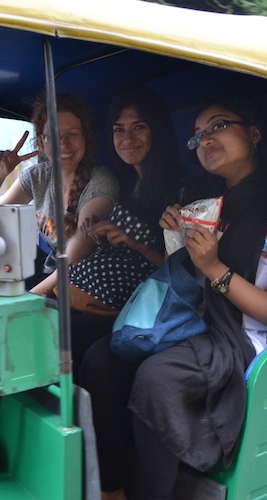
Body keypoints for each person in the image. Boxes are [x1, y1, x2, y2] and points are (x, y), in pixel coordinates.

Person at [80, 94, 267, 500]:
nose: (205, 139)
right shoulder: (213, 201)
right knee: (101, 359)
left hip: (240, 336)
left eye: (219, 126)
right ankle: (112, 491)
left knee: (159, 376)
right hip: (196, 317)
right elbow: (185, 276)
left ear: (255, 133)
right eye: (199, 135)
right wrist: (176, 238)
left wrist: (215, 268)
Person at [68, 87, 205, 367]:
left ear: (157, 131)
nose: (127, 139)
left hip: (146, 307)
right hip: (99, 292)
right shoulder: (127, 184)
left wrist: (136, 244)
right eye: (119, 130)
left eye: (139, 127)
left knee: (67, 340)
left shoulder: (183, 190)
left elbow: (185, 273)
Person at [0, 92, 119, 296]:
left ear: (86, 138)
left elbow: (71, 261)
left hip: (83, 286)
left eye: (73, 135)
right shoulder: (38, 176)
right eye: (53, 136)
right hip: (50, 274)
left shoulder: (100, 184)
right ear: (42, 143)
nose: (64, 144)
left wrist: (24, 301)